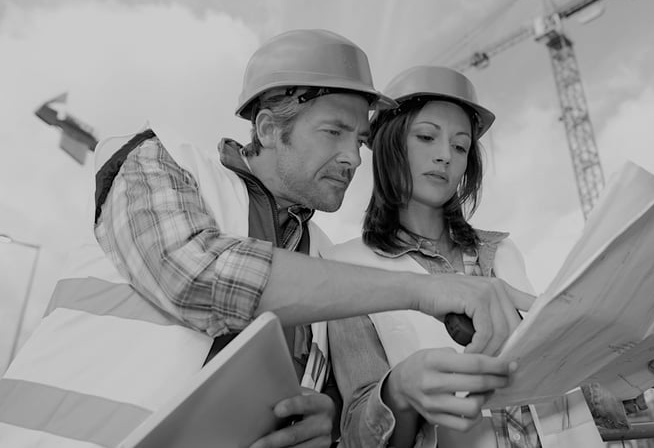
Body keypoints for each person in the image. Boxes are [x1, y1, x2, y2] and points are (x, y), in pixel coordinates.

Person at [0, 31, 533, 448]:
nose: (353, 158)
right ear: (268, 126)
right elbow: (197, 276)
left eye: (360, 140)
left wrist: (321, 424)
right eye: (334, 132)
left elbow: (334, 415)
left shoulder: (325, 260)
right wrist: (428, 291)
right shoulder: (160, 161)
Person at [324, 65, 654, 447]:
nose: (445, 156)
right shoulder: (347, 269)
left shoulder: (504, 252)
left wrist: (646, 369)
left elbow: (561, 377)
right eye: (426, 137)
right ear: (389, 146)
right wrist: (401, 391)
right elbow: (359, 426)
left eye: (460, 146)